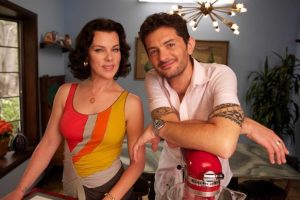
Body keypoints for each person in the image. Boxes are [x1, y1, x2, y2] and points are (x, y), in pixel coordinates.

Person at [132, 12, 289, 199]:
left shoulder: (220, 75)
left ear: (189, 45)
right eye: (153, 51)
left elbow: (223, 144)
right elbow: (173, 139)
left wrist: (159, 127)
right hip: (168, 183)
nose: (163, 57)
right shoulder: (153, 78)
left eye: (170, 45)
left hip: (214, 186)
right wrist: (243, 125)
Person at [3, 18, 145, 200]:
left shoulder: (131, 103)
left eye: (115, 49)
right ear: (86, 55)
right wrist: (20, 190)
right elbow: (47, 144)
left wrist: (111, 198)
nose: (110, 58)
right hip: (71, 190)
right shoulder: (65, 92)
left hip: (113, 191)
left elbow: (138, 162)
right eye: (99, 49)